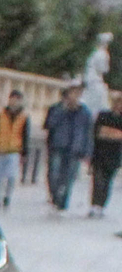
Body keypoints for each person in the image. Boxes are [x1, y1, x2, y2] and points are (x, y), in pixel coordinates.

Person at [48, 84, 93, 213]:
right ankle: (55, 195)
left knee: (69, 177)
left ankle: (63, 202)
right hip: (58, 146)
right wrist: (63, 109)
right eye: (72, 93)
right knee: (54, 174)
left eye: (77, 94)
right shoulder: (58, 109)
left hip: (75, 149)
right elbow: (50, 124)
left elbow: (88, 133)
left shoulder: (85, 112)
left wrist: (88, 151)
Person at [0, 92, 28, 210]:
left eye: (17, 99)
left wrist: (24, 153)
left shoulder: (24, 117)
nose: (14, 102)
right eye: (12, 99)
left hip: (14, 150)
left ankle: (7, 196)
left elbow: (25, 136)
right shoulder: (0, 115)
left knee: (11, 177)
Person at [92, 100, 122, 219]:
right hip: (100, 153)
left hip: (114, 155)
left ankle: (101, 205)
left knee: (107, 181)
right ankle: (95, 204)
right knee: (98, 180)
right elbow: (97, 132)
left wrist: (108, 133)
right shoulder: (103, 115)